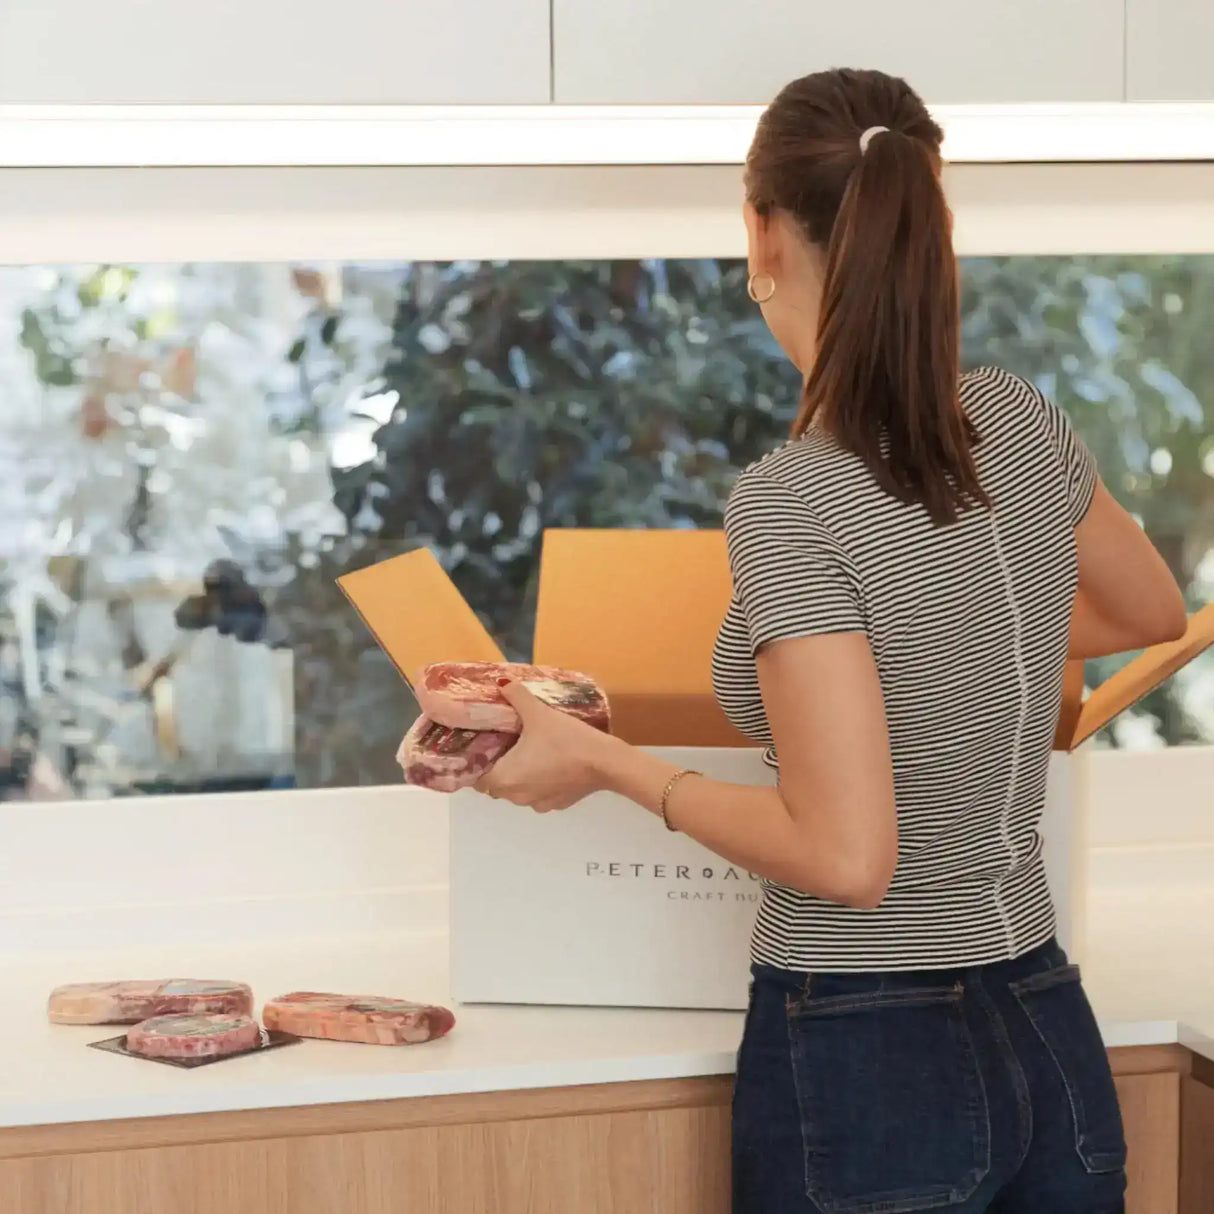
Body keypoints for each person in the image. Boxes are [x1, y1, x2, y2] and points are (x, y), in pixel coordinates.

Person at [476, 67, 1187, 1213]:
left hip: (869, 1056)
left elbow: (847, 858)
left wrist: (601, 761)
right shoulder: (1007, 415)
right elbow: (1146, 608)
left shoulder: (791, 497)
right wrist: (947, 641)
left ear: (760, 229)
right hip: (1046, 1023)